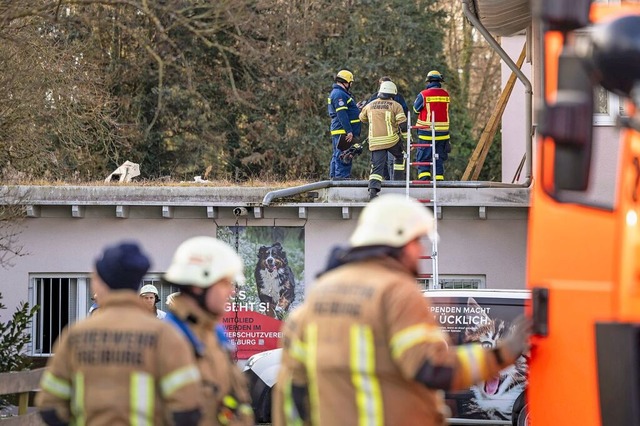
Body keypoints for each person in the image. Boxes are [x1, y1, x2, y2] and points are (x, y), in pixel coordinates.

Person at [275, 194, 531, 426]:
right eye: (417, 241)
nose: (419, 249)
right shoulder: (396, 292)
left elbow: (291, 394)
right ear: (401, 241)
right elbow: (433, 367)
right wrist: (506, 351)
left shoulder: (318, 296)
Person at [36, 241, 203, 426]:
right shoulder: (165, 335)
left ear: (100, 282)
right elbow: (188, 409)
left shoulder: (75, 336)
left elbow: (49, 407)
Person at [162, 236, 254, 426]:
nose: (232, 292)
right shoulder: (166, 340)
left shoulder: (216, 337)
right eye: (224, 283)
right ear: (198, 285)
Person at [358, 81, 407, 200]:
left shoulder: (370, 105)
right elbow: (403, 125)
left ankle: (373, 192)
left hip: (375, 142)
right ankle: (398, 182)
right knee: (400, 156)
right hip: (391, 140)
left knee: (376, 167)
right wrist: (408, 139)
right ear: (393, 93)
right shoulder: (396, 105)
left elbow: (362, 118)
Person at [413, 70, 452, 181]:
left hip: (427, 132)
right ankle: (439, 180)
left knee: (424, 157)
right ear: (440, 81)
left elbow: (415, 109)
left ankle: (424, 180)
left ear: (428, 81)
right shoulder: (446, 94)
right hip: (443, 133)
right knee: (438, 157)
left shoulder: (423, 94)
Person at [327, 69, 362, 179]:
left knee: (337, 155)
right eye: (350, 83)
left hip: (342, 130)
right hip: (343, 131)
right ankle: (342, 180)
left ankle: (334, 179)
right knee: (344, 155)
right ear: (346, 82)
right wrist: (349, 131)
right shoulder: (339, 94)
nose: (350, 85)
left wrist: (356, 108)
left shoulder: (340, 94)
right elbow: (341, 114)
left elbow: (346, 111)